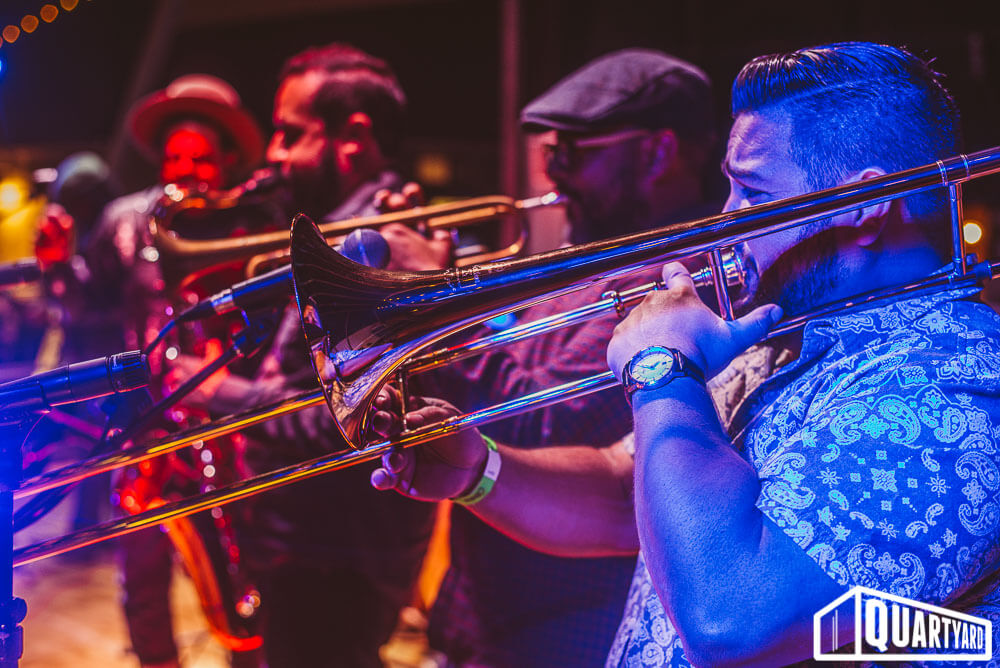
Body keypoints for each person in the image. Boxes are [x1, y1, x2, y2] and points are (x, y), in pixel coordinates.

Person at [372, 41, 1000, 666]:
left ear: (864, 206)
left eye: (753, 194)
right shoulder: (783, 340)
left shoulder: (954, 380)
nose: (724, 220)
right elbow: (629, 498)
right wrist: (480, 469)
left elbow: (732, 618)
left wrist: (661, 371)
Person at [383, 49, 718, 667]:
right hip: (487, 618)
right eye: (549, 152)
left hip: (564, 632)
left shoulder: (677, 279)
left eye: (574, 152)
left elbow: (543, 422)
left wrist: (437, 305)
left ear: (658, 152)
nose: (552, 174)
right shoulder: (587, 258)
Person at [180, 43, 440, 668]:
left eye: (290, 134)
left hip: (331, 557)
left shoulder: (375, 244)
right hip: (310, 550)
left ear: (353, 138)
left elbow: (349, 415)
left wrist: (217, 393)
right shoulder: (331, 228)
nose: (273, 153)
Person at [88, 73, 265, 668]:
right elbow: (83, 300)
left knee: (241, 588)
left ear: (229, 160)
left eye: (201, 159)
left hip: (226, 433)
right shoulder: (124, 219)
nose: (184, 171)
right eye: (174, 158)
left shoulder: (250, 224)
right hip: (147, 431)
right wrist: (59, 267)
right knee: (141, 584)